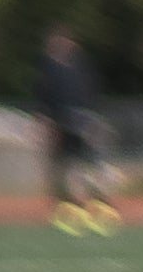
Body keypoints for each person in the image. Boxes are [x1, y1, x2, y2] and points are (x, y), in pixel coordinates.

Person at [34, 24, 115, 231]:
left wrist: (95, 120)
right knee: (70, 163)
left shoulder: (81, 66)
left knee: (95, 162)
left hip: (85, 119)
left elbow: (92, 95)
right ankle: (77, 202)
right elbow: (43, 99)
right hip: (62, 122)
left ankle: (102, 200)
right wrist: (44, 122)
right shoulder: (49, 68)